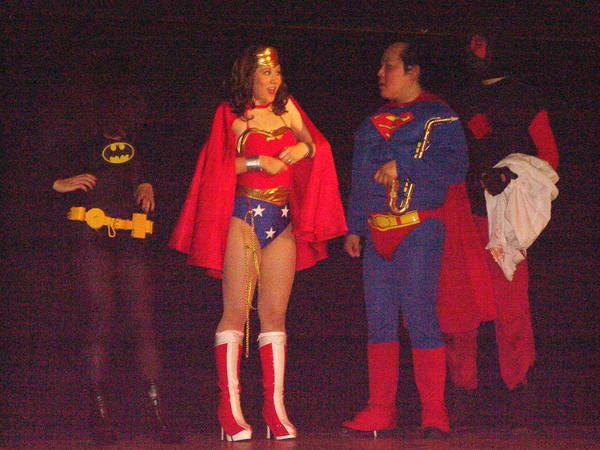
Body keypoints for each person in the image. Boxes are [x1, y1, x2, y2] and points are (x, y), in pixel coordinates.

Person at [169, 45, 346, 441]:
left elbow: (320, 146)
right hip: (245, 216)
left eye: (277, 71)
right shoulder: (230, 114)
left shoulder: (288, 109)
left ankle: (274, 407)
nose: (273, 79)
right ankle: (229, 409)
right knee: (235, 313)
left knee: (275, 316)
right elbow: (214, 167)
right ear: (248, 75)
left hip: (281, 220)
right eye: (266, 72)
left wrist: (303, 147)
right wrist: (256, 162)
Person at [342, 40, 469, 439]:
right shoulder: (371, 122)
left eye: (389, 66)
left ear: (413, 71)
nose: (380, 74)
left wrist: (405, 165)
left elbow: (457, 167)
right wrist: (354, 227)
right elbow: (359, 177)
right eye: (381, 66)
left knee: (420, 316)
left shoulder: (440, 116)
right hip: (376, 230)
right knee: (379, 322)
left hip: (418, 228)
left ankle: (434, 412)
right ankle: (380, 409)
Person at [443, 30, 559, 429]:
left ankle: (518, 380)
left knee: (511, 303)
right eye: (470, 42)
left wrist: (511, 174)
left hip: (506, 217)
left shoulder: (525, 96)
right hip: (463, 214)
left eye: (482, 42)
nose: (475, 50)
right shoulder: (458, 98)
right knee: (461, 302)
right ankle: (462, 384)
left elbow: (549, 157)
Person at [51, 93, 181, 445]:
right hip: (92, 238)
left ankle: (158, 414)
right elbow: (35, 170)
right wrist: (57, 183)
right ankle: (99, 416)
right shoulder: (79, 142)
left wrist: (149, 182)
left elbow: (169, 176)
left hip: (131, 238)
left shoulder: (143, 144)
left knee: (143, 320)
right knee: (100, 317)